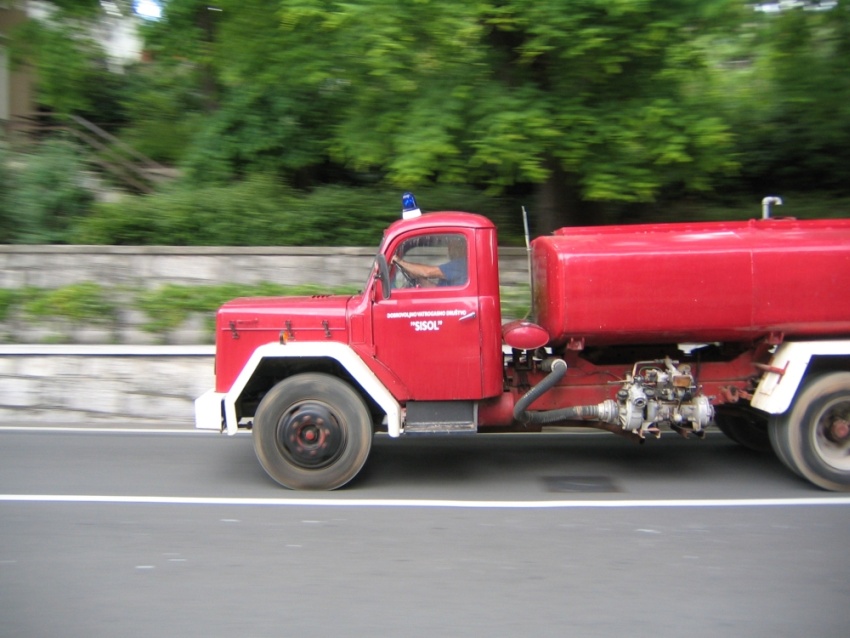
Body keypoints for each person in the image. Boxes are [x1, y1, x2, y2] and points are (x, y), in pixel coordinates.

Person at [391, 236, 468, 287]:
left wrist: (399, 261)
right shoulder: (457, 265)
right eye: (449, 246)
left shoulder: (461, 264)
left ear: (463, 248)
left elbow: (427, 272)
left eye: (454, 246)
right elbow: (437, 289)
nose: (450, 250)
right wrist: (418, 279)